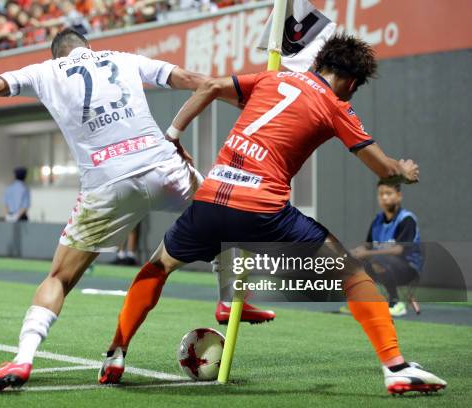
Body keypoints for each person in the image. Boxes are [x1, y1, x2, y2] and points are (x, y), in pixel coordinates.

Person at [0, 28, 273, 392]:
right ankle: (227, 297)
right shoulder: (124, 58)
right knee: (226, 213)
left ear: (57, 54)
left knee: (59, 279)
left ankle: (23, 360)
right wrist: (244, 97)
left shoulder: (44, 72)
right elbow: (193, 81)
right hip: (163, 168)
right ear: (87, 47)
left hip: (106, 185)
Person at [98, 34, 446, 395]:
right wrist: (401, 170)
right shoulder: (336, 105)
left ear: (318, 63)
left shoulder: (271, 78)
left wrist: (171, 136)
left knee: (157, 267)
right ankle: (396, 367)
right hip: (262, 212)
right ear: (352, 82)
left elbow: (212, 86)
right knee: (350, 274)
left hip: (211, 201)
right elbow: (382, 168)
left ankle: (116, 353)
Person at [348, 181, 422, 317]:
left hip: (408, 268)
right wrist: (353, 253)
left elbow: (398, 250)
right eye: (381, 194)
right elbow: (367, 245)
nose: (384, 197)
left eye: (388, 193)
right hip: (382, 264)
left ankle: (396, 303)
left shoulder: (406, 220)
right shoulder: (377, 220)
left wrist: (367, 253)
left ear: (399, 196)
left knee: (376, 259)